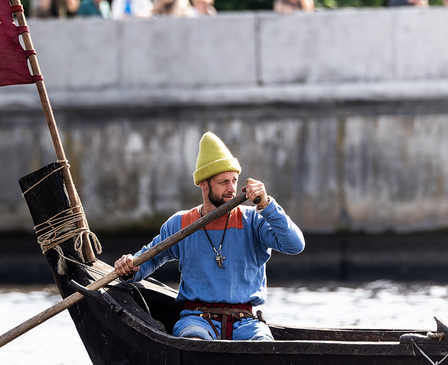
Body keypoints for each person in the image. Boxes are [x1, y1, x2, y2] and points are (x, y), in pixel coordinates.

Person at [113, 132, 305, 341]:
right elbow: (147, 261)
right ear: (203, 184)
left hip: (247, 322)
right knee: (193, 342)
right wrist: (129, 266)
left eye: (234, 180)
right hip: (196, 320)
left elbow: (295, 245)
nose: (232, 189)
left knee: (263, 346)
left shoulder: (254, 221)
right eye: (224, 182)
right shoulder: (181, 223)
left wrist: (267, 205)